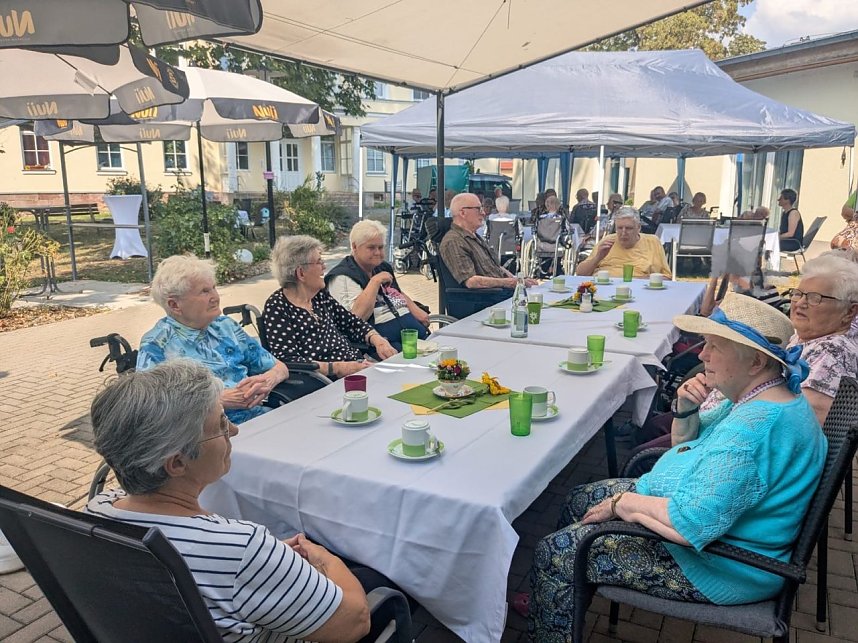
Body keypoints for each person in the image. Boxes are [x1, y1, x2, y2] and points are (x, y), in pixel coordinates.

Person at [526, 292, 826, 640]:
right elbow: (686, 447)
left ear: (756, 362)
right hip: (715, 528)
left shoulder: (755, 429)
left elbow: (691, 523)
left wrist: (624, 504)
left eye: (714, 345)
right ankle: (561, 596)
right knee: (580, 498)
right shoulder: (763, 395)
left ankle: (557, 590)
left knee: (555, 552)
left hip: (724, 564)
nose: (702, 354)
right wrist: (684, 405)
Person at [87, 360, 372, 643]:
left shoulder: (97, 510)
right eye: (221, 424)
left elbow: (214, 565)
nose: (233, 431)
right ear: (177, 463)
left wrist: (268, 561)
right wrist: (325, 558)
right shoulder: (242, 549)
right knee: (375, 582)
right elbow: (354, 622)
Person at [137, 255, 289, 425]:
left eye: (214, 288)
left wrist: (267, 380)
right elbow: (150, 408)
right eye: (204, 291)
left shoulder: (226, 326)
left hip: (259, 418)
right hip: (205, 436)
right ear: (174, 305)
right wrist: (218, 401)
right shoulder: (156, 345)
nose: (215, 297)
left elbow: (279, 367)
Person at [263, 235, 396, 379]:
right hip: (322, 381)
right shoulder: (277, 307)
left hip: (356, 367)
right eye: (319, 262)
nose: (324, 267)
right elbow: (288, 361)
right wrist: (337, 368)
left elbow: (351, 322)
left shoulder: (319, 296)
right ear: (301, 273)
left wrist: (377, 339)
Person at [326, 220, 430, 350]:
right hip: (379, 344)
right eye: (371, 248)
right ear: (354, 247)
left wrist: (415, 309)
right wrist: (374, 282)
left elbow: (396, 292)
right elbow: (355, 319)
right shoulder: (342, 276)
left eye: (380, 247)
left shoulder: (382, 266)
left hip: (411, 334)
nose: (377, 253)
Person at [440, 192, 537, 290]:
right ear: (463, 213)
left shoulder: (473, 236)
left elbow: (496, 267)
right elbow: (471, 281)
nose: (483, 212)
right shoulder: (454, 241)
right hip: (487, 299)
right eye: (478, 209)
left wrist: (518, 279)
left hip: (501, 293)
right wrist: (510, 282)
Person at [575, 206, 672, 279]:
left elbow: (667, 277)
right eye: (620, 228)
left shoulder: (652, 242)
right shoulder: (608, 241)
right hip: (603, 287)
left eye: (629, 228)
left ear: (638, 228)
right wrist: (598, 257)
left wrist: (643, 280)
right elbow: (580, 274)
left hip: (639, 290)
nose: (623, 232)